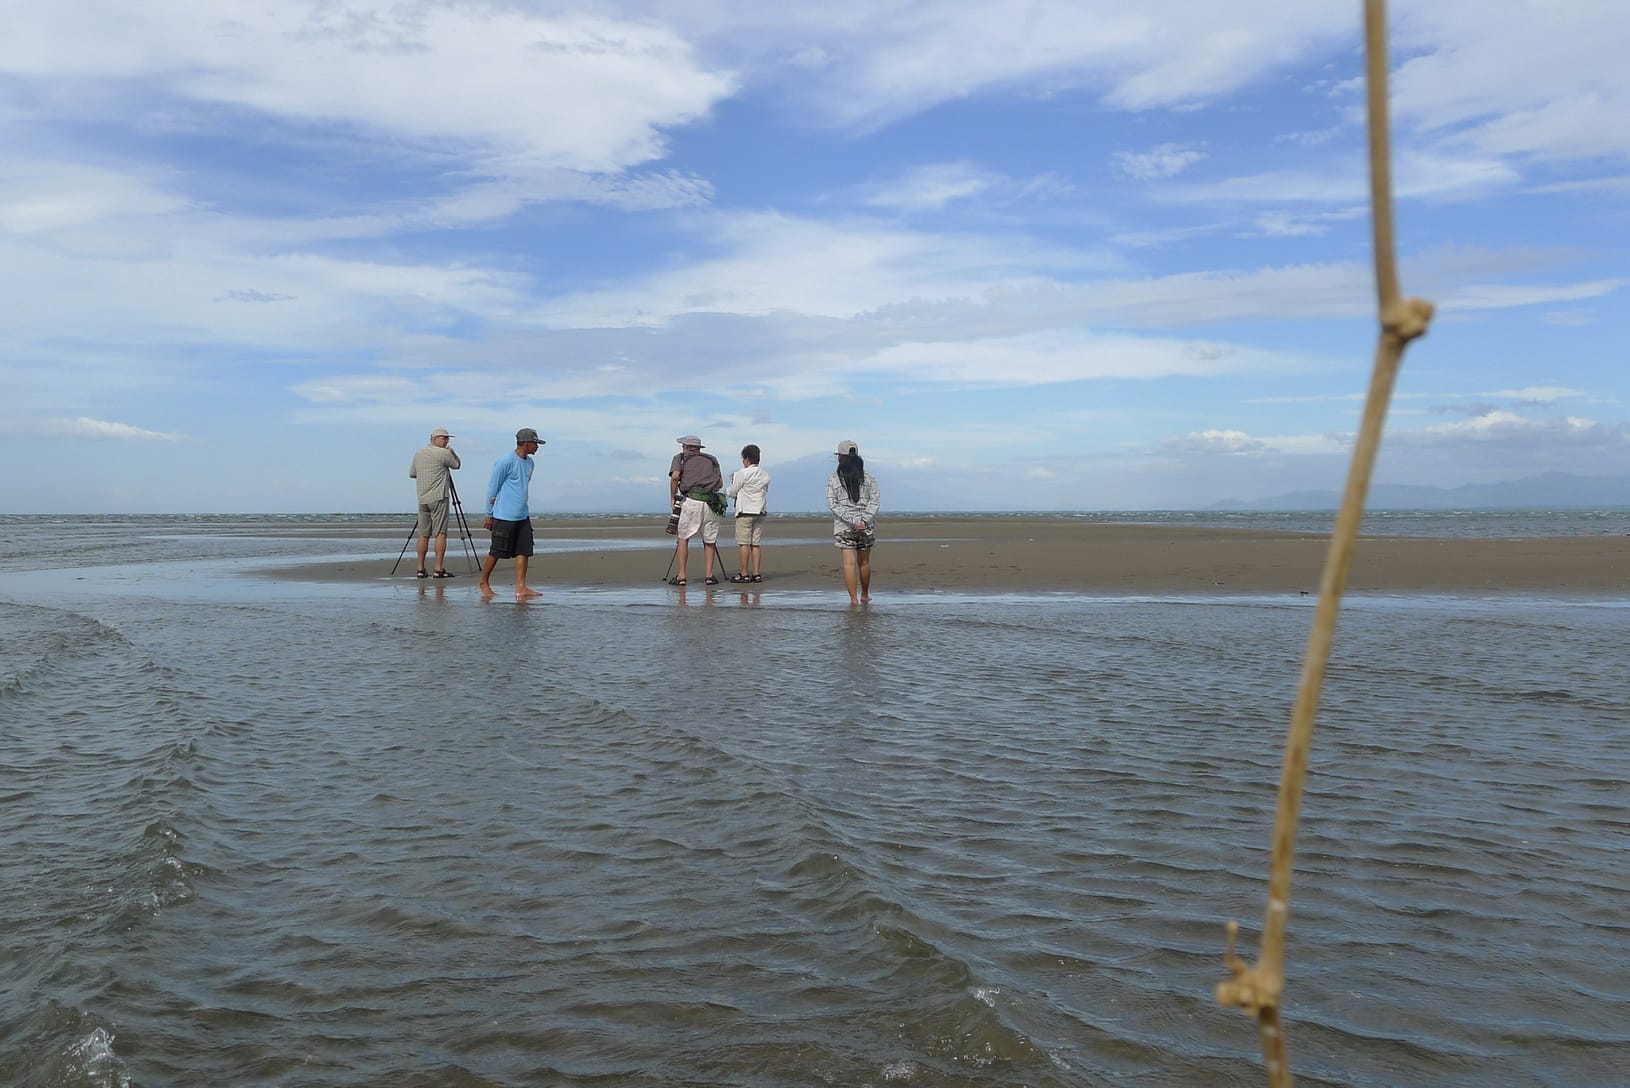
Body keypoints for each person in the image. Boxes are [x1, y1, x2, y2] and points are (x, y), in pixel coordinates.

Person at [479, 427, 545, 599]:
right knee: (496, 551)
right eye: (535, 444)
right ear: (526, 443)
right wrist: (489, 514)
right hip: (503, 515)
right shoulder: (505, 461)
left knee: (524, 550)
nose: (537, 447)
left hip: (522, 514)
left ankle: (521, 587)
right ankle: (483, 581)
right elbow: (493, 487)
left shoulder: (530, 463)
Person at [826, 439, 880, 604]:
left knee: (849, 564)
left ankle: (853, 599)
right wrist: (863, 519)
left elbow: (832, 503)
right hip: (866, 527)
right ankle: (864, 594)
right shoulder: (870, 478)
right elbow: (875, 502)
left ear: (840, 458)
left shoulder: (834, 479)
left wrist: (852, 519)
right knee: (864, 562)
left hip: (844, 526)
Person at [668, 435, 724, 586]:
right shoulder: (712, 459)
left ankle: (682, 576)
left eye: (683, 446)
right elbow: (720, 483)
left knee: (683, 538)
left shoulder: (680, 458)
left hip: (691, 501)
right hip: (711, 503)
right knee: (710, 540)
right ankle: (709, 576)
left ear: (687, 447)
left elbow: (675, 477)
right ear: (699, 448)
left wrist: (673, 497)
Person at [408, 427, 462, 578]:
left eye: (447, 439)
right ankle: (438, 568)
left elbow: (412, 473)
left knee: (423, 534)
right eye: (444, 438)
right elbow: (457, 465)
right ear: (435, 439)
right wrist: (452, 453)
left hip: (422, 498)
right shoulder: (443, 453)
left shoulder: (419, 453)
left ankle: (420, 569)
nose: (447, 441)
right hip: (439, 497)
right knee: (440, 533)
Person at [726, 444, 770, 583]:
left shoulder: (742, 473)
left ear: (746, 459)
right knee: (755, 544)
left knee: (744, 543)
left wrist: (731, 483)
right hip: (760, 511)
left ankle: (744, 573)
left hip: (745, 511)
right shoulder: (765, 475)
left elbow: (733, 492)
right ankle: (756, 574)